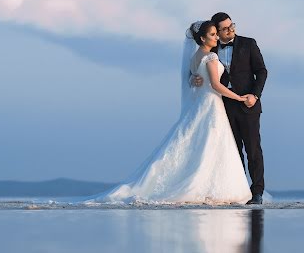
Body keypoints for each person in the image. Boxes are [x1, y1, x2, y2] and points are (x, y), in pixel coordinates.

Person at [89, 20, 252, 205]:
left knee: (199, 144)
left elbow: (193, 79)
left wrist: (193, 80)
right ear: (202, 38)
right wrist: (239, 98)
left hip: (200, 105)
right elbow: (215, 85)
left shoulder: (195, 57)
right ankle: (207, 187)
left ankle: (204, 185)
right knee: (210, 144)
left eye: (216, 34)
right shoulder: (211, 58)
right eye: (213, 34)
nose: (216, 37)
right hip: (211, 104)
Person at [191, 13, 267, 205]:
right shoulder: (211, 46)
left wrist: (254, 95)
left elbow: (262, 71)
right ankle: (238, 191)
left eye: (231, 25)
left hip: (247, 103)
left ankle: (257, 192)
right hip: (222, 105)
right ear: (216, 31)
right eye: (224, 28)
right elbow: (194, 69)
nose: (230, 29)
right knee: (232, 150)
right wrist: (192, 78)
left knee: (253, 149)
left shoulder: (249, 44)